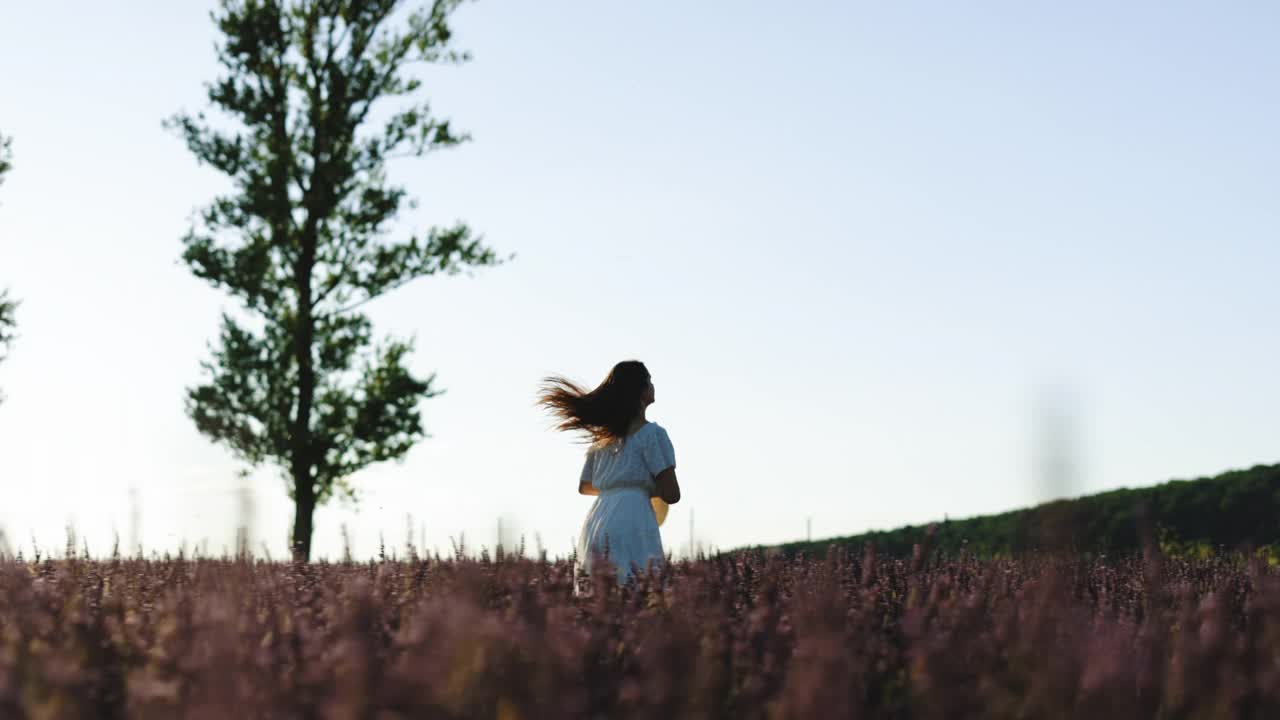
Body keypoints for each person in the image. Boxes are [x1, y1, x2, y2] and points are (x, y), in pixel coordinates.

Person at [537, 360, 681, 585]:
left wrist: (618, 486)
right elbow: (672, 494)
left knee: (602, 597)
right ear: (640, 391)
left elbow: (585, 486)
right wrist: (643, 486)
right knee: (640, 592)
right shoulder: (653, 434)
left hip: (599, 519)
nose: (653, 385)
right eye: (649, 381)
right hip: (634, 519)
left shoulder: (602, 438)